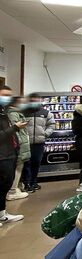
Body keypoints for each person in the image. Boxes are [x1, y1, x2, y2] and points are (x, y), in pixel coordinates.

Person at [0, 85, 27, 225]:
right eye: (4, 95)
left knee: (6, 185)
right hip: (2, 155)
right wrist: (15, 127)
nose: (6, 98)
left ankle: (2, 214)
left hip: (10, 153)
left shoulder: (4, 112)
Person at [23, 93, 55, 193]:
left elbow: (51, 124)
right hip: (25, 143)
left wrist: (45, 134)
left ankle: (33, 182)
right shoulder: (23, 112)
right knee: (26, 163)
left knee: (36, 162)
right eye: (32, 100)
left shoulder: (46, 112)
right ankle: (27, 183)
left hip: (39, 142)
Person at [6, 97, 31, 200]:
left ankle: (14, 188)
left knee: (19, 166)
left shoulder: (16, 113)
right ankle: (12, 191)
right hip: (19, 145)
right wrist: (20, 143)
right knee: (18, 167)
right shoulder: (13, 114)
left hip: (21, 144)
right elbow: (15, 130)